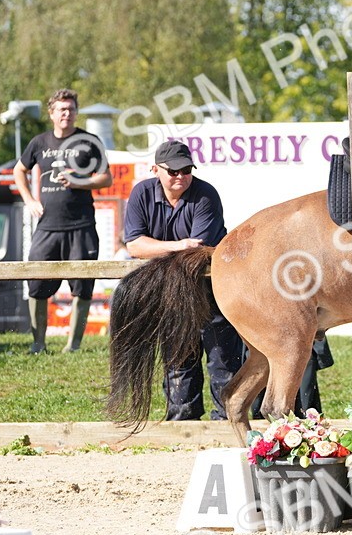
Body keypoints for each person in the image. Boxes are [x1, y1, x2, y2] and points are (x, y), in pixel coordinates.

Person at [123, 140, 247, 421]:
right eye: (173, 171)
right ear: (156, 169)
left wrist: (164, 248)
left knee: (223, 362)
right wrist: (178, 245)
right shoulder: (141, 193)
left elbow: (197, 251)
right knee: (178, 362)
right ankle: (182, 425)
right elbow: (134, 246)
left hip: (212, 291)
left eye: (187, 170)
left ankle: (227, 424)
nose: (181, 176)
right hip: (171, 292)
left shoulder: (205, 195)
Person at [13, 89, 113, 354]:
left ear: (76, 112)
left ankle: (73, 346)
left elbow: (106, 178)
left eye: (70, 109)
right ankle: (38, 345)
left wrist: (80, 181)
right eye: (61, 109)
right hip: (47, 226)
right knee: (36, 282)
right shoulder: (39, 142)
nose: (66, 114)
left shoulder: (89, 141)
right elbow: (19, 170)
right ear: (52, 114)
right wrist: (30, 200)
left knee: (82, 285)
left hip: (81, 225)